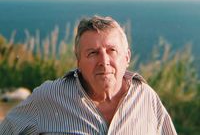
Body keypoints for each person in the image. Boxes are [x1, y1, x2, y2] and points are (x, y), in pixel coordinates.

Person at [0, 15, 177, 135]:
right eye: (92, 53)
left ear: (127, 57)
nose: (104, 61)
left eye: (112, 50)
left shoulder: (146, 97)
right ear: (78, 61)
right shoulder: (49, 96)